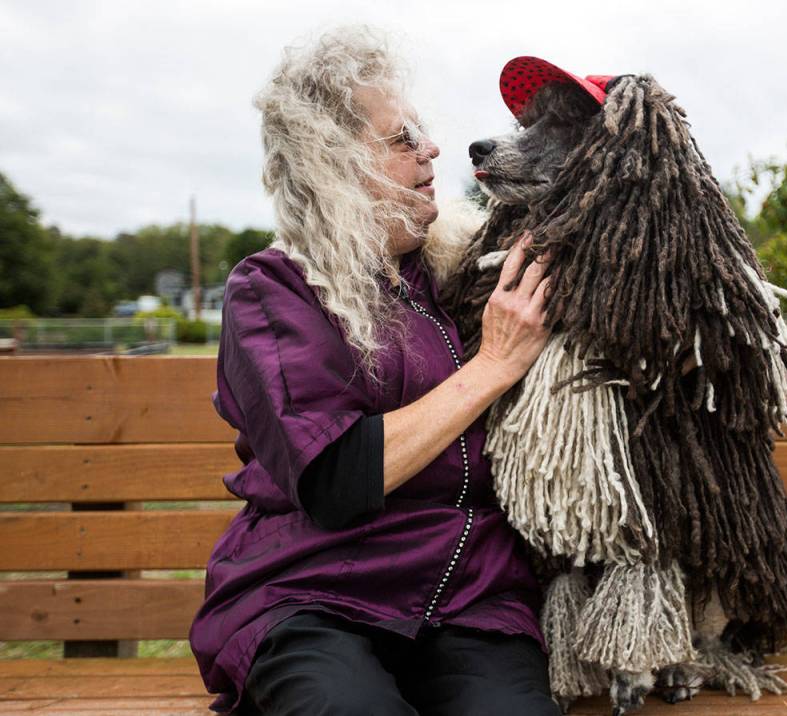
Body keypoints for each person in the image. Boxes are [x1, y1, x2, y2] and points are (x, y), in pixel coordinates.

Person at [188, 26, 561, 716]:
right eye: (401, 139)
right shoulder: (273, 290)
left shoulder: (460, 276)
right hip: (311, 594)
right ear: (331, 164)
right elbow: (334, 477)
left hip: (471, 597)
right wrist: (493, 366)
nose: (432, 149)